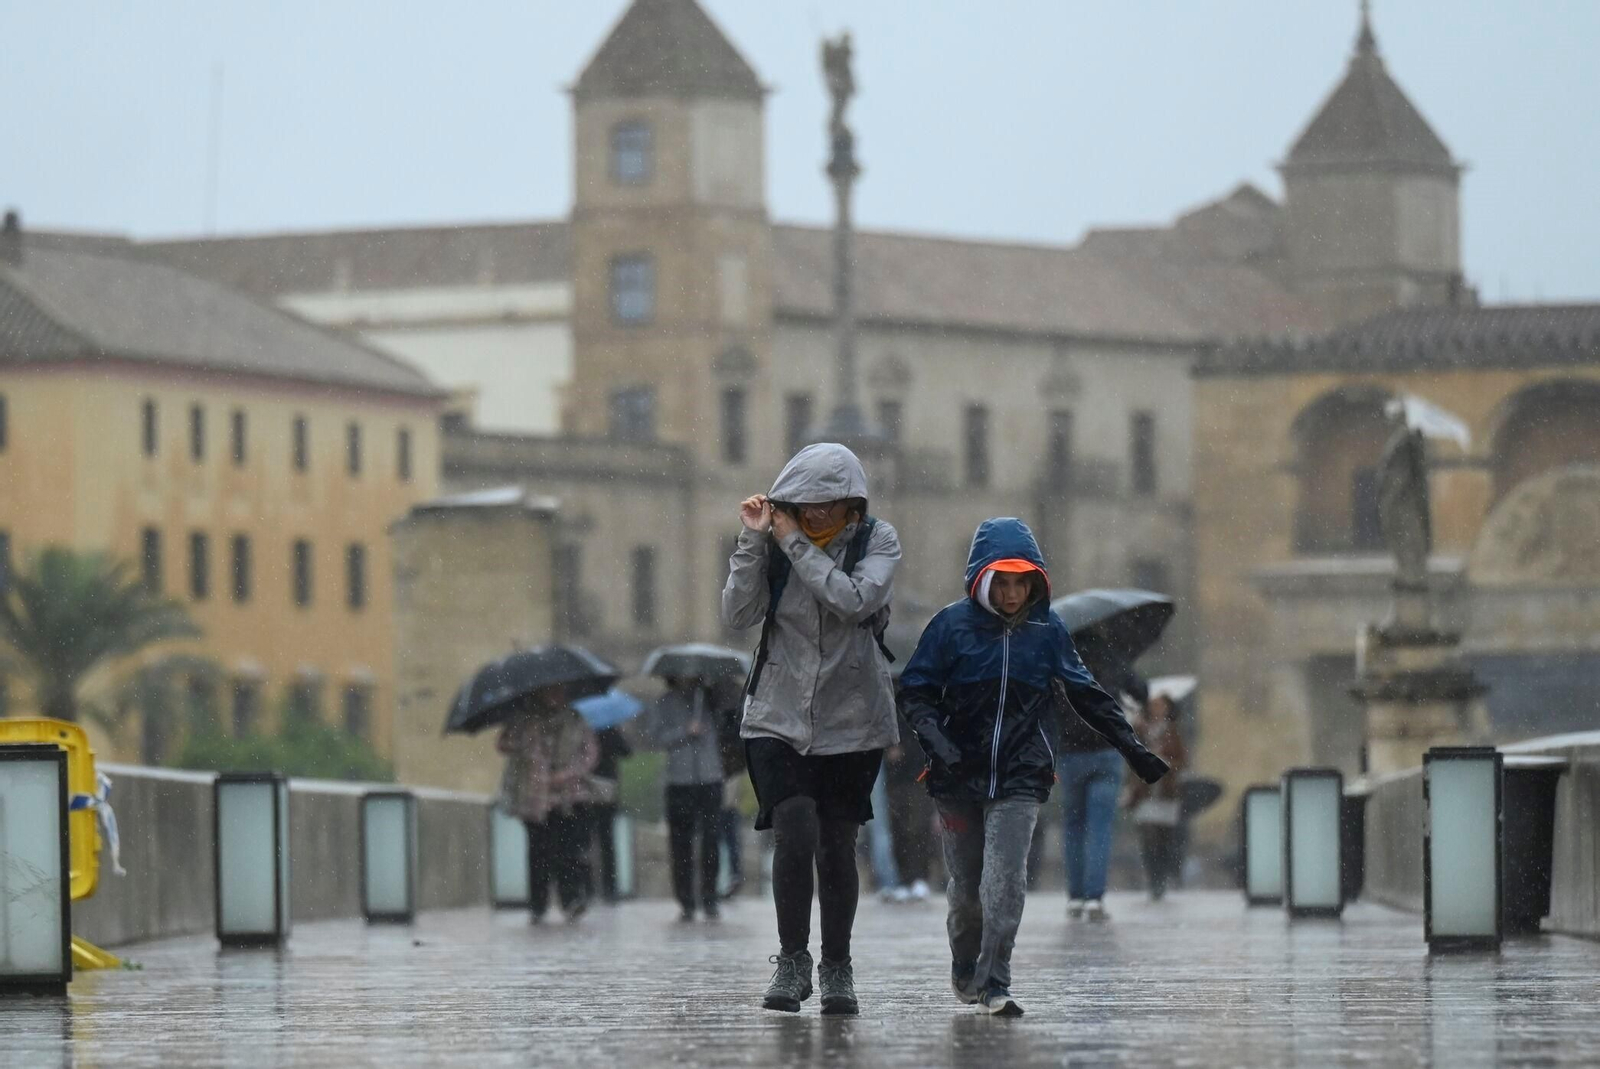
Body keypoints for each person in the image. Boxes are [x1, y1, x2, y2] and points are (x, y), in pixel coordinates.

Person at [900, 518, 1167, 1016]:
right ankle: (966, 965)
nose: (1012, 592)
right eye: (1001, 581)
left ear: (1035, 582)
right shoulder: (949, 627)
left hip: (1022, 777)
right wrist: (939, 743)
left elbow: (1090, 695)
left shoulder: (1048, 631)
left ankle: (996, 979)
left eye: (1021, 581)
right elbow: (914, 692)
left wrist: (1133, 749)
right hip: (957, 778)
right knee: (967, 895)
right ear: (981, 579)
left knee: (1005, 882)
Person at [723, 442, 900, 1016]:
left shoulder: (878, 542)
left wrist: (792, 541)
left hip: (853, 714)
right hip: (778, 710)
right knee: (794, 828)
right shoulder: (771, 543)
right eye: (804, 503)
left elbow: (851, 600)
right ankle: (793, 958)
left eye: (828, 503)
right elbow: (737, 614)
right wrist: (753, 540)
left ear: (853, 504)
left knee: (837, 843)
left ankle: (837, 966)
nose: (815, 513)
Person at [1056, 631, 1148, 922]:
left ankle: (1075, 897)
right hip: (1106, 751)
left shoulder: (1060, 656)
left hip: (1070, 753)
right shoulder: (1111, 656)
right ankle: (1094, 899)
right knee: (1099, 827)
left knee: (1073, 826)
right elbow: (1141, 692)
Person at [496, 690, 599, 924]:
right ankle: (538, 903)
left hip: (568, 798)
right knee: (538, 852)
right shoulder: (525, 719)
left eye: (560, 690)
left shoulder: (575, 720)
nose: (555, 696)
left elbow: (590, 754)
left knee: (567, 851)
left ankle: (570, 899)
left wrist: (567, 774)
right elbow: (503, 745)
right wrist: (520, 736)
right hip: (534, 797)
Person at [641, 678, 726, 922]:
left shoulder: (712, 699)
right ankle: (686, 900)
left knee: (711, 838)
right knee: (681, 843)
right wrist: (684, 732)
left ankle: (710, 897)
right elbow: (655, 737)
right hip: (679, 780)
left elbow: (728, 729)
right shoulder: (664, 703)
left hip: (710, 777)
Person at [1126, 693, 1188, 901]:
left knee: (1164, 838)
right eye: (1153, 705)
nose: (1157, 709)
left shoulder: (1172, 732)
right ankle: (1153, 878)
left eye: (1161, 705)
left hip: (1166, 794)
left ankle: (1161, 876)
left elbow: (1182, 761)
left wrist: (1166, 761)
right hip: (1145, 793)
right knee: (1148, 837)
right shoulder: (1139, 730)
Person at [582, 726, 632, 904]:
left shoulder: (587, 730)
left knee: (589, 841)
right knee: (604, 842)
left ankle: (589, 888)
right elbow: (627, 751)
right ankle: (607, 888)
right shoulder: (607, 729)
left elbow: (627, 751)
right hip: (597, 791)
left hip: (594, 791)